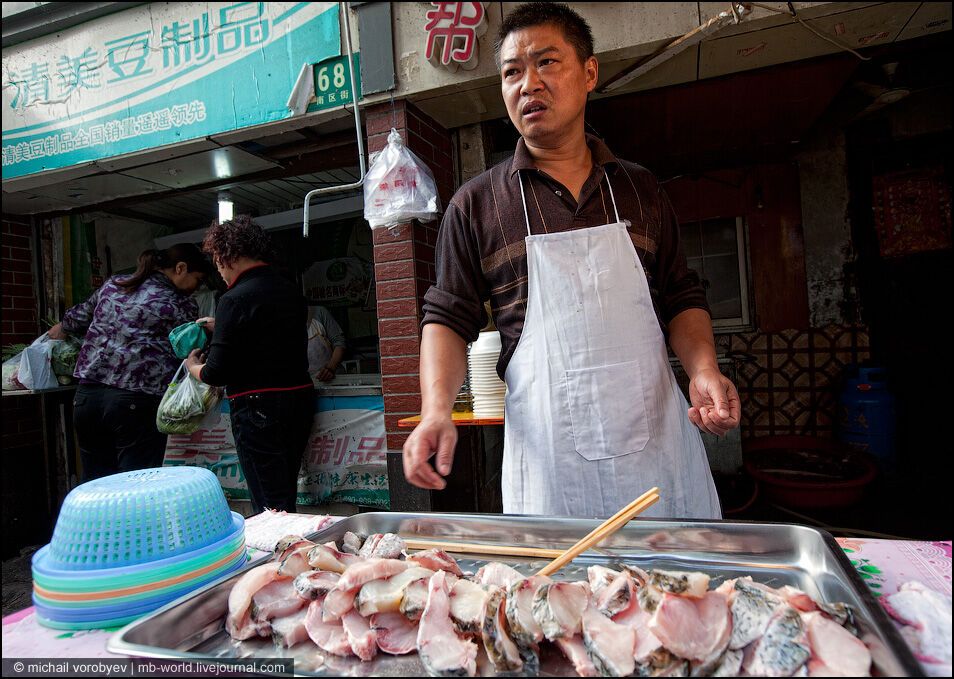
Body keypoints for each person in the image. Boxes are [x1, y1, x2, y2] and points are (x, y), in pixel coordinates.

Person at [403, 3, 741, 519]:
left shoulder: (640, 188)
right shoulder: (477, 204)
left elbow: (680, 295)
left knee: (672, 592)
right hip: (552, 467)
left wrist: (703, 369)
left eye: (547, 63)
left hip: (657, 455)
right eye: (512, 71)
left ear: (589, 72)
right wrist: (435, 410)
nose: (528, 83)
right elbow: (448, 318)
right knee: (557, 594)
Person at [48, 244, 209, 481]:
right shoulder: (179, 304)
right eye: (197, 279)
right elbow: (189, 349)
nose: (197, 288)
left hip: (86, 399)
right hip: (134, 402)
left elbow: (77, 317)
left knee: (96, 483)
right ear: (180, 268)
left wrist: (60, 328)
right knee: (135, 486)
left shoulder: (115, 285)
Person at [185, 215, 313, 513]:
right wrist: (225, 327)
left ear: (228, 255)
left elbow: (216, 372)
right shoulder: (289, 289)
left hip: (258, 408)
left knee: (269, 505)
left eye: (217, 261)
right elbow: (268, 335)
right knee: (284, 493)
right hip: (298, 401)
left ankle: (278, 556)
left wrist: (192, 366)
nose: (219, 270)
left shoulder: (233, 299)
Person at [307, 305, 346, 383]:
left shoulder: (319, 312)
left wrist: (331, 368)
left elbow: (339, 343)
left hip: (333, 379)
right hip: (307, 383)